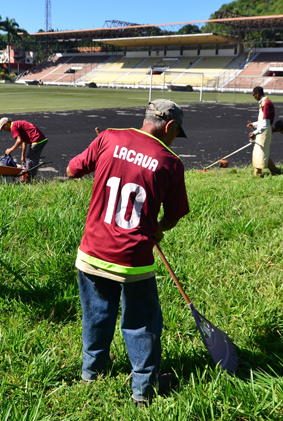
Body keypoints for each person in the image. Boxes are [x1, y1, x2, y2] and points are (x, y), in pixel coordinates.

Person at [66, 99, 190, 406]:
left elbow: (71, 170)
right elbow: (174, 216)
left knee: (96, 313)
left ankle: (91, 372)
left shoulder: (109, 136)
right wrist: (159, 227)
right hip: (132, 261)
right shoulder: (171, 163)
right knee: (142, 323)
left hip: (92, 251)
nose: (175, 140)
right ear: (170, 127)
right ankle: (143, 390)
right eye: (177, 134)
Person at [247, 86, 281, 177]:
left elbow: (265, 123)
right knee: (262, 151)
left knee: (259, 152)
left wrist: (254, 132)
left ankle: (257, 175)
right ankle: (275, 171)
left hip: (264, 132)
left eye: (254, 95)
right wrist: (254, 124)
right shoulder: (264, 103)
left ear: (258, 94)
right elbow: (263, 121)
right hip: (263, 130)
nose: (254, 97)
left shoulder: (266, 103)